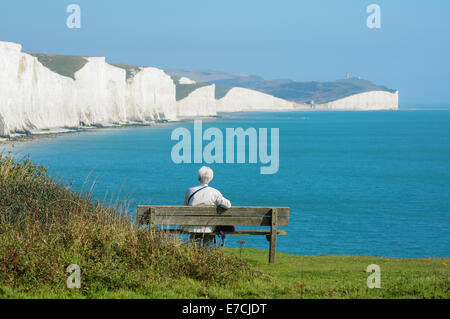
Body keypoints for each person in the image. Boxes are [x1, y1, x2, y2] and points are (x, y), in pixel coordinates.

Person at [183, 166, 231, 246]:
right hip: (208, 227)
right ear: (211, 179)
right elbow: (228, 205)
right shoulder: (215, 192)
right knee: (208, 242)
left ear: (199, 178)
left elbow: (185, 207)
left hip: (192, 225)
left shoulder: (190, 191)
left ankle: (193, 255)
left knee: (194, 244)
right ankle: (207, 254)